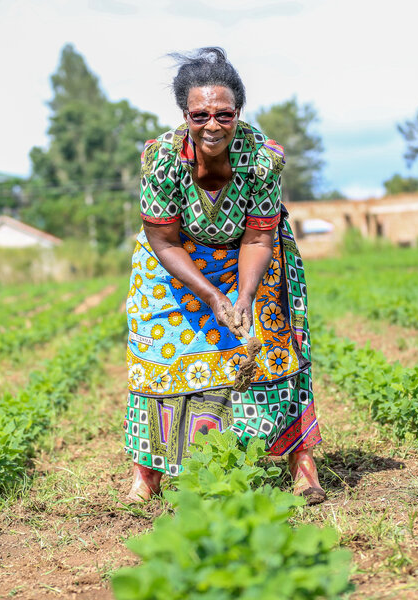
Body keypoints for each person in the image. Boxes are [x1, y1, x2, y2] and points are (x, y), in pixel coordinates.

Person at [123, 47, 325, 504]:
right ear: (184, 114)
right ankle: (148, 473)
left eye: (224, 114)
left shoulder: (262, 159)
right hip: (176, 261)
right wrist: (214, 296)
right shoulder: (161, 159)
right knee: (160, 359)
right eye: (200, 115)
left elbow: (257, 239)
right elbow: (165, 242)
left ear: (238, 113)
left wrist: (245, 295)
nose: (212, 125)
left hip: (254, 254)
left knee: (274, 354)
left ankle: (302, 464)